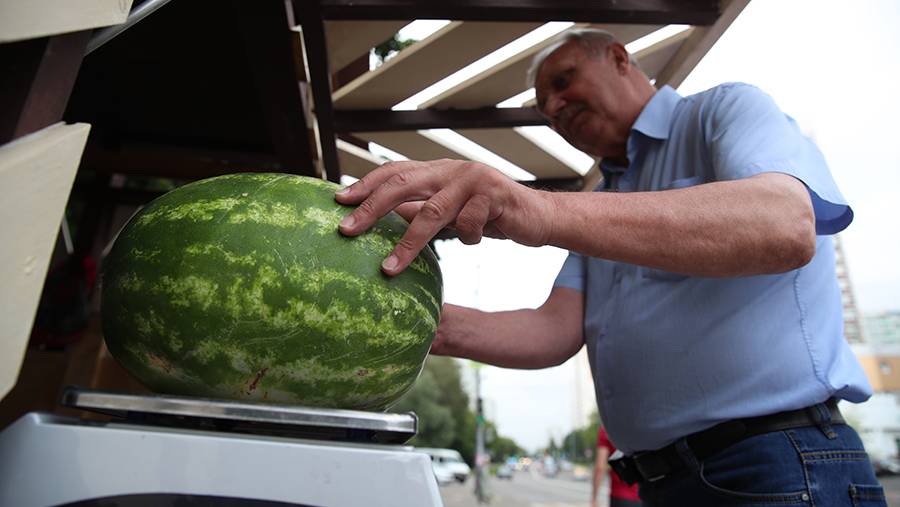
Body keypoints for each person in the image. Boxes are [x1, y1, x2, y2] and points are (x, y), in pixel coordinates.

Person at [334, 28, 887, 506]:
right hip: (668, 481)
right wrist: (400, 314)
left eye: (563, 81)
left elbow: (783, 223)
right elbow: (553, 332)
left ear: (620, 59)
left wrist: (538, 206)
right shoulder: (608, 198)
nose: (553, 108)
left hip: (778, 462)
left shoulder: (723, 111)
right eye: (544, 106)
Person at [594, 426, 641, 507]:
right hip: (644, 496)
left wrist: (594, 498)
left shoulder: (607, 428)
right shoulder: (643, 425)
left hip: (620, 496)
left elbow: (600, 467)